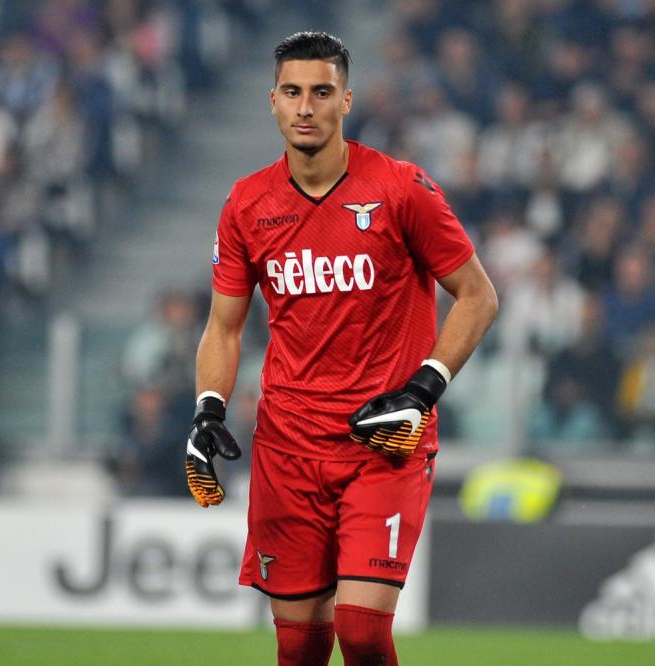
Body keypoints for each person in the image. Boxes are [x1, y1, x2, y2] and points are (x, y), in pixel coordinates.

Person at [184, 32, 497, 666]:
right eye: (293, 93)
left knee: (360, 630)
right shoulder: (246, 203)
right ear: (272, 102)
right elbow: (222, 326)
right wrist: (208, 410)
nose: (306, 107)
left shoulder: (401, 188)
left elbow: (478, 295)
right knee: (298, 647)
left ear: (346, 101)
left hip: (381, 439)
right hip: (288, 445)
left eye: (321, 92)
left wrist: (423, 390)